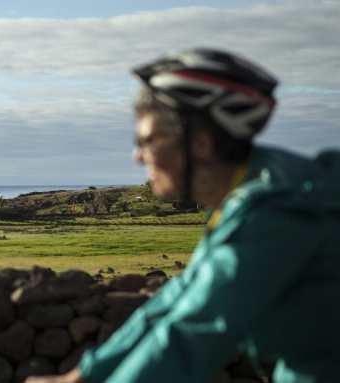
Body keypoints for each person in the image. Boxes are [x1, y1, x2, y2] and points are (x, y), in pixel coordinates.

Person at [26, 48, 340, 383]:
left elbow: (197, 329)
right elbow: (174, 303)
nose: (137, 156)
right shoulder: (248, 196)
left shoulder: (280, 209)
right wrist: (84, 376)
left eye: (148, 140)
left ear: (201, 144)